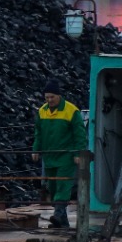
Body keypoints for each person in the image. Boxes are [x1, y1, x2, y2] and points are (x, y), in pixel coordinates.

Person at [33, 79, 87, 228]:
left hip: (66, 156)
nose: (49, 100)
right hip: (49, 157)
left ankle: (57, 215)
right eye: (47, 97)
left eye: (52, 97)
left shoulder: (71, 111)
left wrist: (78, 153)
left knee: (63, 185)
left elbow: (79, 134)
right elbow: (38, 132)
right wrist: (36, 149)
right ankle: (62, 223)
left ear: (59, 96)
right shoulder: (42, 111)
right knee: (53, 187)